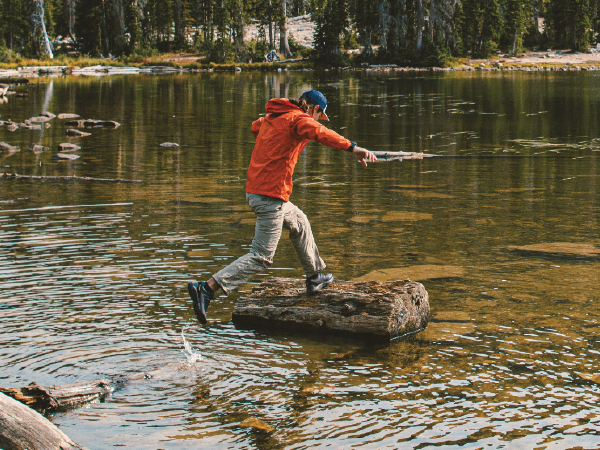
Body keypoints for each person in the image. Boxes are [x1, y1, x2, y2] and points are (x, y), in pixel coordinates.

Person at [188, 90, 377, 325]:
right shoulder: (299, 120)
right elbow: (320, 133)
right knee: (261, 256)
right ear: (314, 109)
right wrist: (353, 148)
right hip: (270, 196)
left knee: (300, 222)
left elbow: (255, 127)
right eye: (319, 115)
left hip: (259, 191)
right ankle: (207, 288)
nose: (318, 120)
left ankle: (315, 277)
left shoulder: (274, 118)